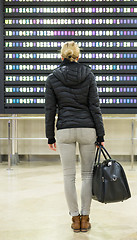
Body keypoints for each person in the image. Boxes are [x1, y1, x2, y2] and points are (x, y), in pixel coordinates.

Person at [45, 41, 105, 233]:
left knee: (68, 176)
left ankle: (74, 218)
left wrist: (50, 137)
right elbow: (95, 107)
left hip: (64, 129)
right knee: (87, 175)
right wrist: (100, 133)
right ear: (78, 57)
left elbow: (50, 110)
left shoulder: (53, 78)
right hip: (88, 128)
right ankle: (85, 218)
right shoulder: (88, 74)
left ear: (61, 57)